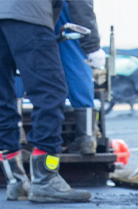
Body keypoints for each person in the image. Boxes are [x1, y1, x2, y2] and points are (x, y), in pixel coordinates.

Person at [0, 0, 91, 203]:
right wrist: (92, 45)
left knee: (0, 94)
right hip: (29, 12)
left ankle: (15, 181)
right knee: (50, 91)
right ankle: (45, 177)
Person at [57, 0, 105, 155]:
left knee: (21, 60)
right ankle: (87, 136)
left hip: (26, 10)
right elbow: (81, 6)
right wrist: (92, 46)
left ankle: (17, 132)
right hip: (61, 10)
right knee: (74, 57)